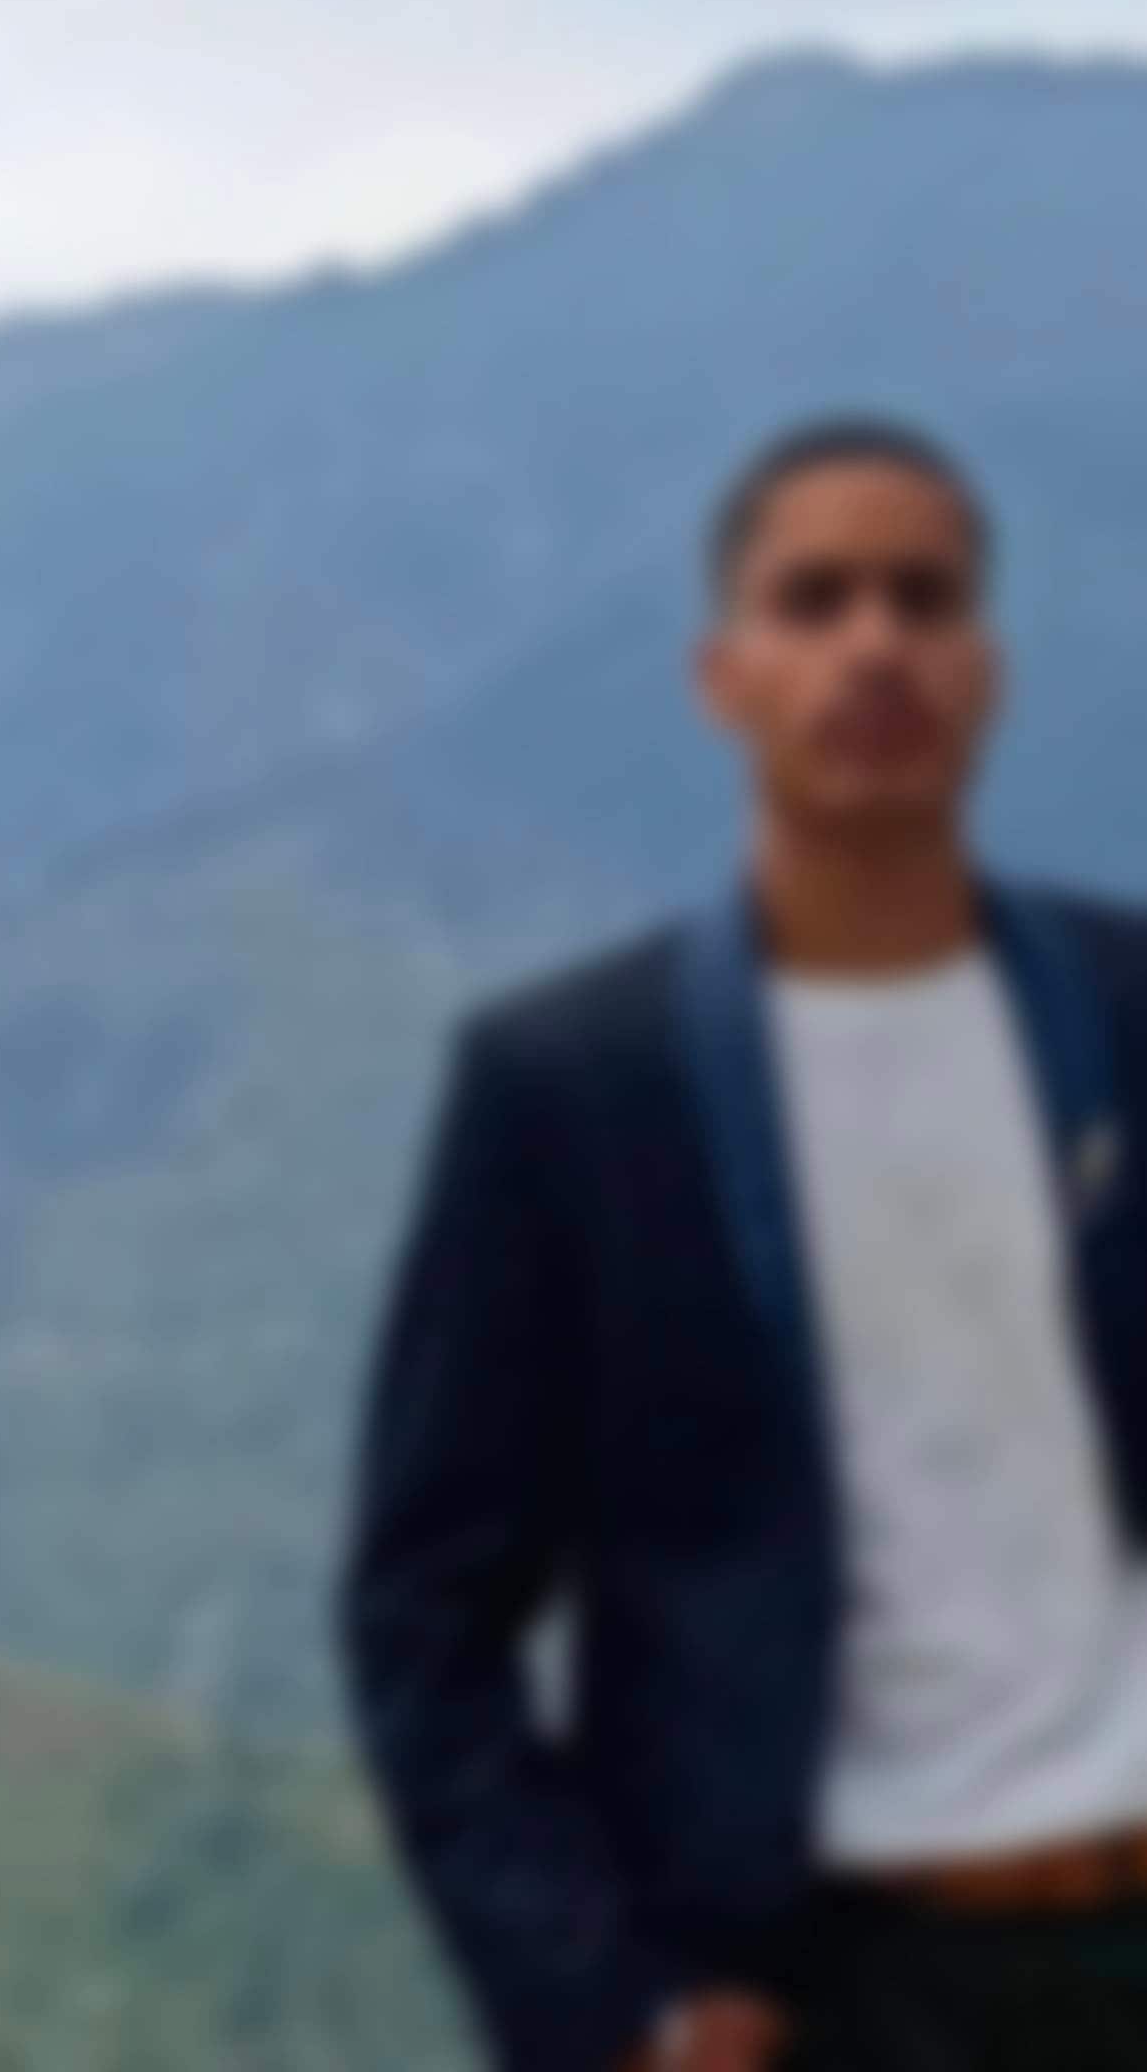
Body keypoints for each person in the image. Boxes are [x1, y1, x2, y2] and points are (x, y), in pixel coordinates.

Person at [335, 415, 1147, 2072]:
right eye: (814, 600)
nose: (875, 644)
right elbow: (425, 1616)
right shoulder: (573, 1089)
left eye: (924, 598)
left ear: (987, 671)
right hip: (813, 1985)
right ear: (724, 678)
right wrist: (608, 2003)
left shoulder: (1123, 1014)